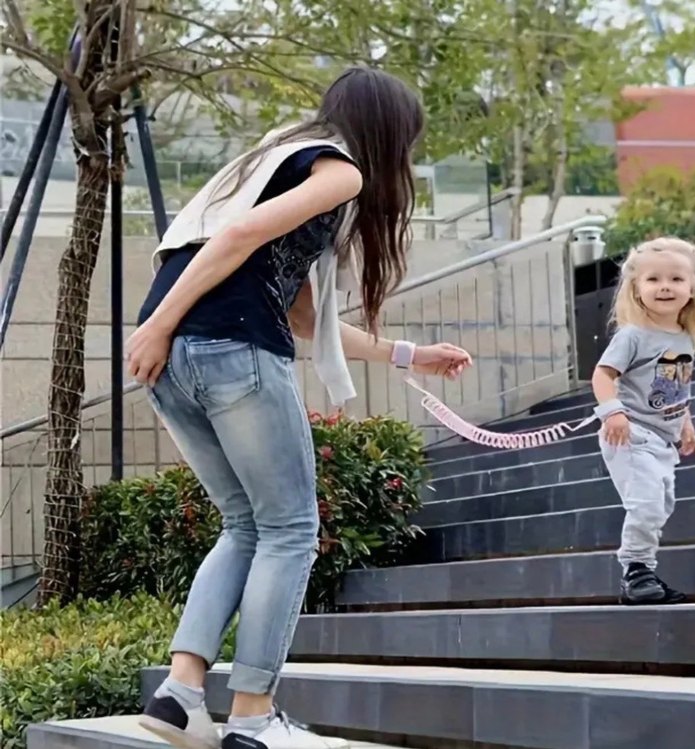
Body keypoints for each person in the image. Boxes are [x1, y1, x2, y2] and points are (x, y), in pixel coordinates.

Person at [128, 67, 473, 749]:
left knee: (245, 525)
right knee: (288, 528)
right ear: (387, 133)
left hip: (175, 363)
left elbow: (304, 317)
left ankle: (181, 693)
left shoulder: (271, 158)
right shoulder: (340, 172)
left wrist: (411, 354)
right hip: (214, 348)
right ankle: (254, 714)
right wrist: (158, 324)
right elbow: (234, 242)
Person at [590, 237, 695, 605]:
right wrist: (613, 412)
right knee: (645, 505)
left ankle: (643, 569)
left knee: (661, 506)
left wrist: (686, 425)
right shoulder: (633, 335)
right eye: (654, 279)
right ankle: (636, 572)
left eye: (676, 279)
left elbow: (677, 387)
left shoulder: (684, 337)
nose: (665, 287)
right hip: (630, 432)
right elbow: (602, 376)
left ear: (692, 288)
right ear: (636, 288)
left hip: (663, 440)